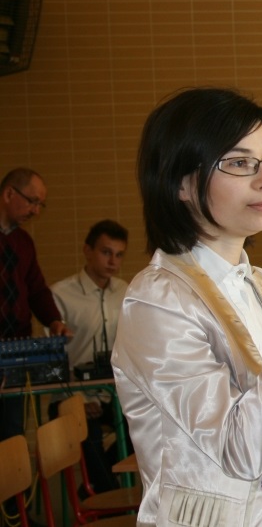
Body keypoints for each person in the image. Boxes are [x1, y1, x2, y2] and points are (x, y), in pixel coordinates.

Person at [112, 87, 262, 527]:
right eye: (239, 163)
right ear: (181, 183)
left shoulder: (257, 282)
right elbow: (244, 450)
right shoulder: (157, 300)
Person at [50, 219, 130, 494]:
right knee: (90, 434)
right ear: (88, 251)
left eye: (119, 254)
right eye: (106, 252)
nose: (113, 261)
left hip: (114, 395)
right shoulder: (59, 295)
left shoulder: (125, 291)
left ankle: (97, 488)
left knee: (148, 426)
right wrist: (80, 400)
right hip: (70, 396)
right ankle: (110, 498)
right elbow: (53, 362)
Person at [0, 167, 73, 442]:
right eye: (32, 201)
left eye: (41, 205)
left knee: (12, 434)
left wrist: (54, 321)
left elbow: (37, 291)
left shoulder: (23, 242)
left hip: (14, 355)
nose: (36, 211)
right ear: (9, 193)